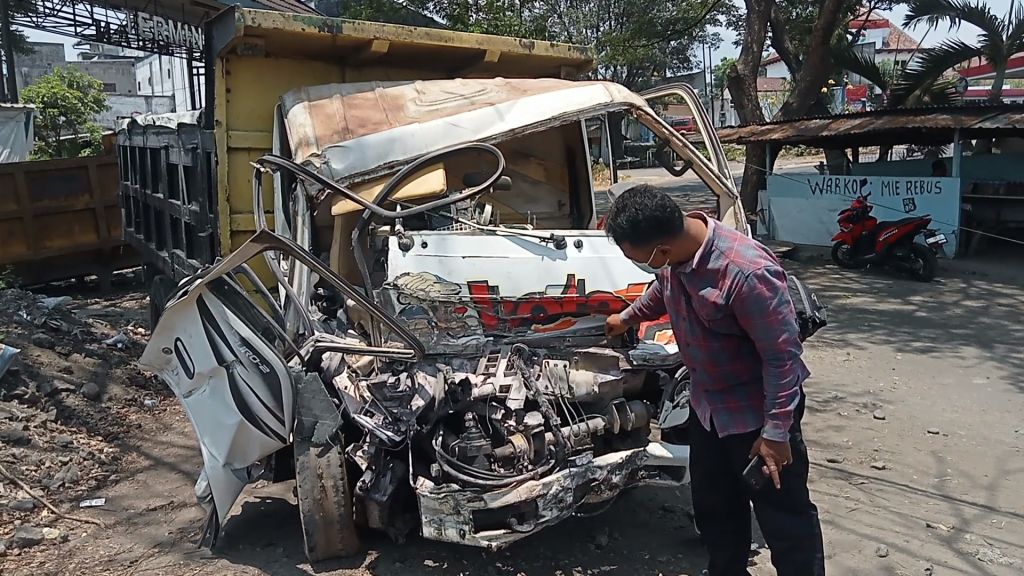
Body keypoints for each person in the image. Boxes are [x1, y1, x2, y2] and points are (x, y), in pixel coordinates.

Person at [603, 185, 825, 576]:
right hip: (708, 408)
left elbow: (782, 357)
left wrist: (776, 433)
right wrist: (628, 317)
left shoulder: (746, 272)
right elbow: (665, 289)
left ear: (661, 249)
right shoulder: (675, 259)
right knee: (716, 509)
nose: (647, 266)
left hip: (758, 414)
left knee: (784, 519)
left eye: (636, 257)